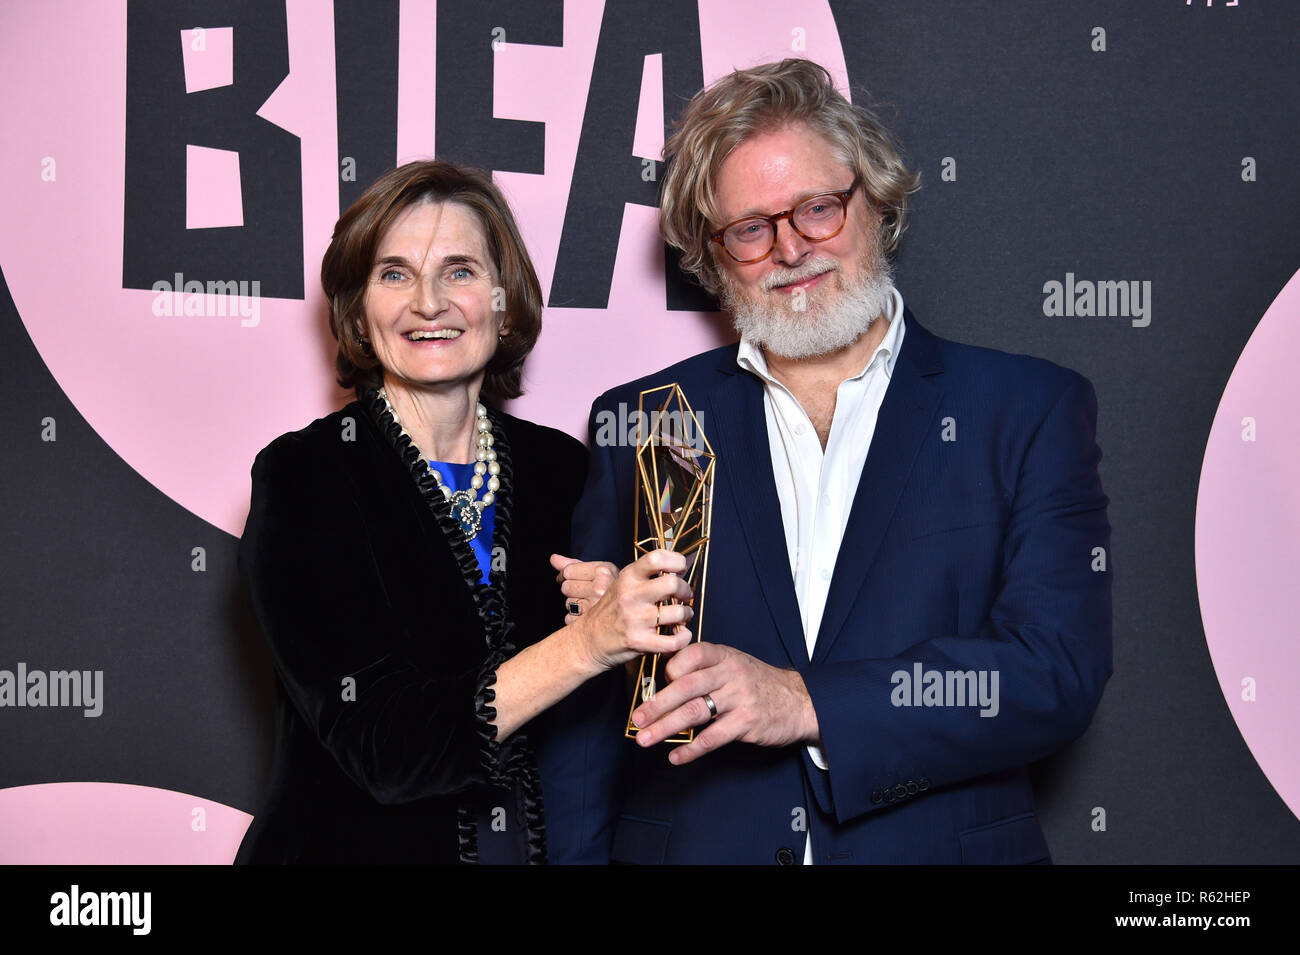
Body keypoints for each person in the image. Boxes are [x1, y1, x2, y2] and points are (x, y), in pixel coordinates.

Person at [545, 59, 1112, 864]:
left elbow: (1054, 671)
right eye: (750, 228)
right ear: (712, 253)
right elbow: (590, 713)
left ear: (874, 203)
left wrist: (806, 701)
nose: (791, 249)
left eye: (817, 209)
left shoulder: (1024, 409)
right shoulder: (641, 421)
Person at [234, 160, 693, 864]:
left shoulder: (563, 470)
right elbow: (385, 747)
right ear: (357, 310)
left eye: (459, 272)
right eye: (394, 274)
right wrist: (584, 645)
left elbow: (612, 738)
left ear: (504, 301)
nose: (428, 303)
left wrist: (623, 638)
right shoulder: (306, 476)